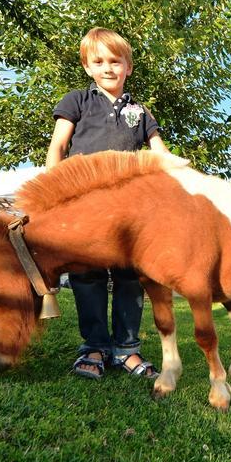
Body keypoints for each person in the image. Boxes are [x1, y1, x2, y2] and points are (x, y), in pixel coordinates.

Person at [46, 27, 183, 380]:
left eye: (115, 61)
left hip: (128, 210)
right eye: (99, 61)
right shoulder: (76, 101)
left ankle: (126, 349)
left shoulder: (140, 111)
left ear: (128, 67)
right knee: (86, 275)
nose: (108, 68)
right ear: (88, 67)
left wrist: (183, 173)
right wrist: (53, 193)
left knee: (129, 278)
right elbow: (58, 147)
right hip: (84, 204)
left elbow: (159, 153)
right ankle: (93, 347)